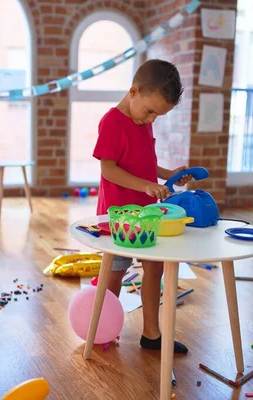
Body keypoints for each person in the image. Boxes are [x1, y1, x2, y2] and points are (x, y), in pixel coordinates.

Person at [93, 59, 192, 353]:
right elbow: (109, 170)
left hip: (147, 216)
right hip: (120, 218)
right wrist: (147, 186)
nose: (151, 120)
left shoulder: (142, 121)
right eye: (150, 111)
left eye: (157, 116)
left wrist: (168, 174)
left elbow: (144, 165)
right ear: (134, 91)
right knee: (115, 275)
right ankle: (102, 328)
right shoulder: (112, 122)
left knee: (155, 270)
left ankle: (152, 334)